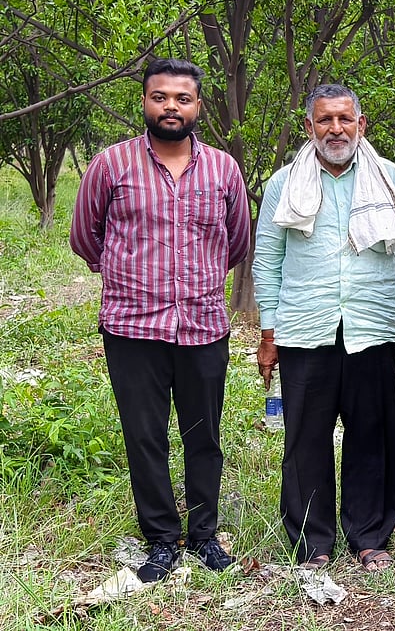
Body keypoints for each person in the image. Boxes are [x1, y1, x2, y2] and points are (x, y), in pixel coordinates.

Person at [70, 58, 250, 583]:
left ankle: (203, 536)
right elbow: (86, 236)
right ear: (145, 102)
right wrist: (130, 276)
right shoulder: (111, 165)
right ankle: (161, 539)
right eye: (160, 97)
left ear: (198, 106)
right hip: (132, 327)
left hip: (202, 324)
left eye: (182, 98)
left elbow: (236, 242)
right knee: (143, 435)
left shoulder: (223, 169)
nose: (171, 106)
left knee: (204, 434)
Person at [252, 84, 395, 572]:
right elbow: (268, 260)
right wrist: (269, 333)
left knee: (373, 434)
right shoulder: (285, 184)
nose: (336, 129)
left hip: (373, 325)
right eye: (324, 120)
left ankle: (369, 537)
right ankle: (314, 543)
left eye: (345, 119)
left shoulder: (390, 179)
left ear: (361, 125)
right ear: (310, 128)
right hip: (306, 328)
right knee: (306, 439)